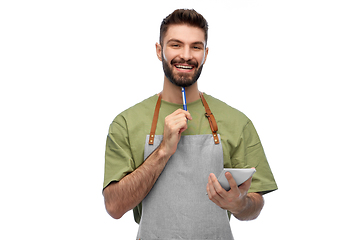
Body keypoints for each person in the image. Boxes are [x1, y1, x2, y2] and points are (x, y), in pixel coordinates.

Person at [103, 9, 277, 239]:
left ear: (205, 53)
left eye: (195, 47)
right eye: (176, 45)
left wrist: (239, 204)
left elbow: (255, 205)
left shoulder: (237, 122)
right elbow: (114, 207)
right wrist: (163, 150)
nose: (186, 55)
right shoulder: (126, 123)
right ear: (159, 50)